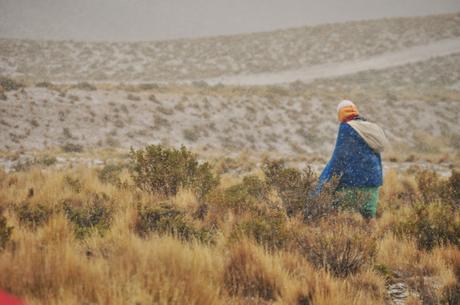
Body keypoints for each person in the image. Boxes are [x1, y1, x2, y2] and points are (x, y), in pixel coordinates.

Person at [315, 100, 388, 220]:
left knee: (335, 210)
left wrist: (324, 180)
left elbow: (339, 157)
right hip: (373, 182)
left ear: (341, 114)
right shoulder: (368, 128)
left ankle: (340, 235)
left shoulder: (346, 128)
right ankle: (374, 238)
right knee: (369, 217)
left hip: (352, 183)